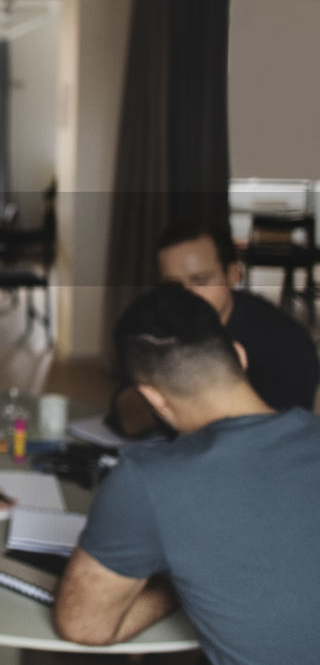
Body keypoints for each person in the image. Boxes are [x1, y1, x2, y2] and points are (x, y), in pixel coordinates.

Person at [54, 285, 320, 661]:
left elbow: (84, 625)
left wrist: (175, 585)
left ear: (154, 399)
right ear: (240, 357)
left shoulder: (145, 481)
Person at [110, 221, 319, 436]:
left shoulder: (286, 344)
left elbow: (286, 440)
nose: (187, 295)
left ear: (233, 275)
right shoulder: (161, 327)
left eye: (201, 280)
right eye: (173, 286)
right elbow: (126, 420)